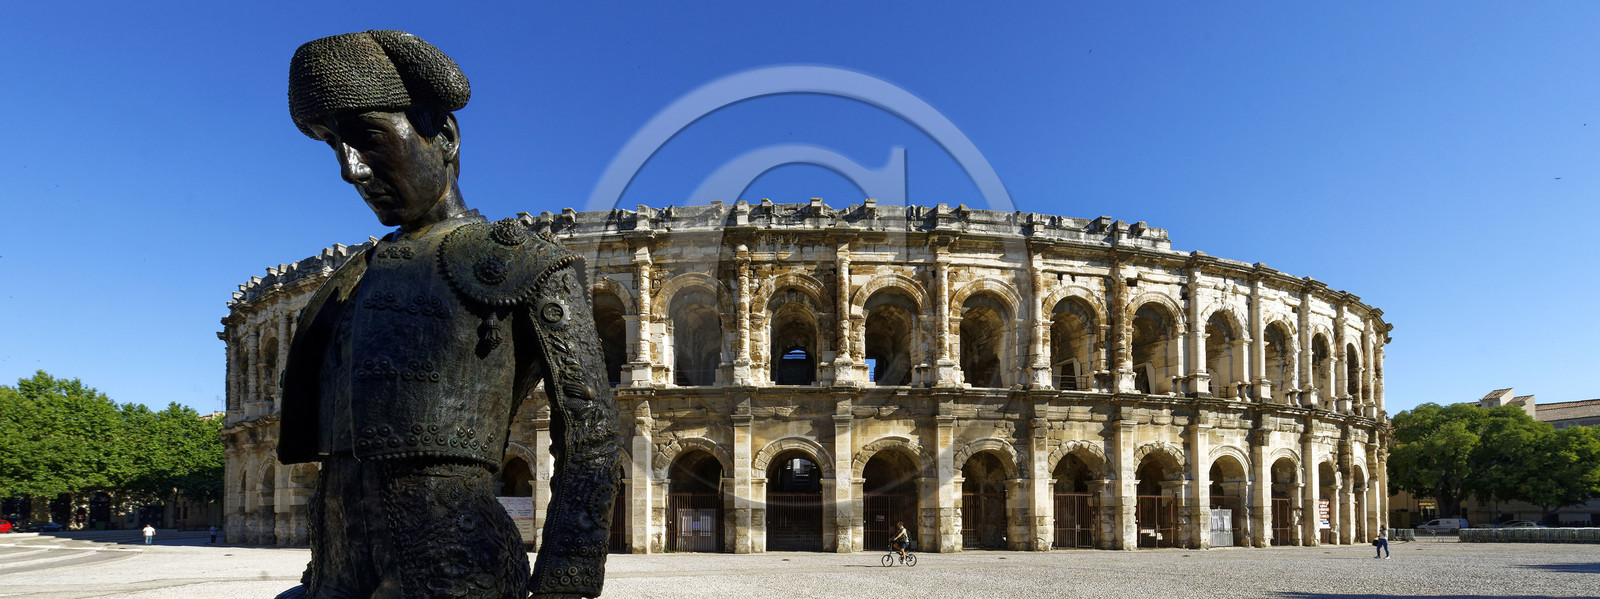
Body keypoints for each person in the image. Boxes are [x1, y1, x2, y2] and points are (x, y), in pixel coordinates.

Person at [273, 30, 621, 599]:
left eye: (367, 138)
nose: (351, 170)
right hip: (336, 578)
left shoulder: (522, 264)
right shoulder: (347, 283)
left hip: (458, 575)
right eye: (335, 147)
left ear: (446, 137)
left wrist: (566, 583)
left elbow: (592, 435)